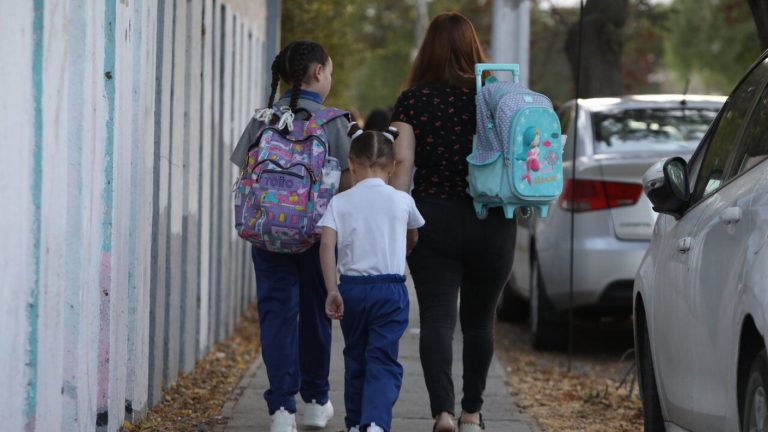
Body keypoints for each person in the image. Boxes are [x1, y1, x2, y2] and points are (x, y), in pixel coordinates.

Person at [389, 13, 518, 432]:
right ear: (473, 48)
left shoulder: (412, 99)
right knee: (480, 322)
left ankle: (442, 412)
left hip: (433, 217)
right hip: (493, 219)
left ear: (429, 49)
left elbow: (403, 162)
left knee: (437, 320)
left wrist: (399, 217)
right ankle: (472, 414)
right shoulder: (496, 96)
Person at [230, 40, 351, 432]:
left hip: (267, 233)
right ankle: (316, 403)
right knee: (318, 312)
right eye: (329, 70)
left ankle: (281, 409)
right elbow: (348, 186)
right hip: (317, 237)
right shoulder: (334, 123)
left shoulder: (263, 119)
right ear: (318, 72)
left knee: (276, 315)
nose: (329, 76)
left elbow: (243, 169)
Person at [318, 124, 425, 432]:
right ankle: (375, 422)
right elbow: (413, 236)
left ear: (351, 163)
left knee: (355, 358)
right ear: (393, 166)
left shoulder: (339, 202)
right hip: (390, 290)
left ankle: (354, 423)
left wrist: (331, 290)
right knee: (383, 359)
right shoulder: (402, 201)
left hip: (351, 290)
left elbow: (327, 245)